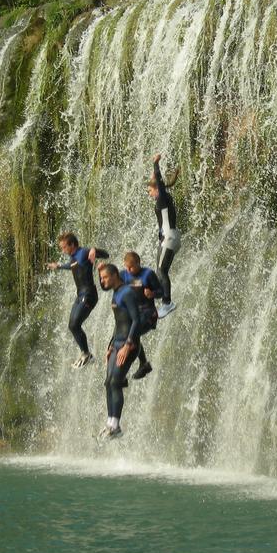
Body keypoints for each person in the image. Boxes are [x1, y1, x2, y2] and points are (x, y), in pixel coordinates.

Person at [46, 232, 109, 368]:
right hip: (80, 296)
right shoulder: (74, 258)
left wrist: (94, 250)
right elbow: (72, 266)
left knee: (75, 324)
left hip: (89, 295)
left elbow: (105, 254)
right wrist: (58, 266)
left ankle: (86, 354)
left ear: (72, 245)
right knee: (72, 326)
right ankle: (85, 354)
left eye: (64, 247)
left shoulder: (84, 252)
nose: (63, 250)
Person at [98, 263, 143, 440]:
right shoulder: (116, 293)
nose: (102, 281)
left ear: (115, 275)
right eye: (101, 278)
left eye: (105, 277)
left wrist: (127, 345)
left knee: (116, 382)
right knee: (108, 382)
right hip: (117, 344)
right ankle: (110, 422)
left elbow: (136, 320)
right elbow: (119, 323)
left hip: (128, 345)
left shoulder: (127, 292)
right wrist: (110, 345)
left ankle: (116, 426)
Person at [119, 251, 164, 380]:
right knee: (125, 332)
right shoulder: (124, 275)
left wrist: (152, 294)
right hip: (134, 314)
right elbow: (110, 284)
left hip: (149, 313)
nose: (129, 269)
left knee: (132, 332)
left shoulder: (148, 274)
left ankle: (142, 363)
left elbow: (162, 291)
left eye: (131, 267)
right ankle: (142, 364)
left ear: (138, 264)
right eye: (126, 267)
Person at [148, 154, 179, 318]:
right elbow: (157, 183)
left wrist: (155, 164)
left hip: (169, 237)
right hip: (170, 238)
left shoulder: (161, 198)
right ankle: (160, 298)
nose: (150, 193)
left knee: (160, 271)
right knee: (160, 271)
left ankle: (167, 303)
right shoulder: (165, 198)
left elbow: (158, 182)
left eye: (150, 190)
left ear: (157, 190)